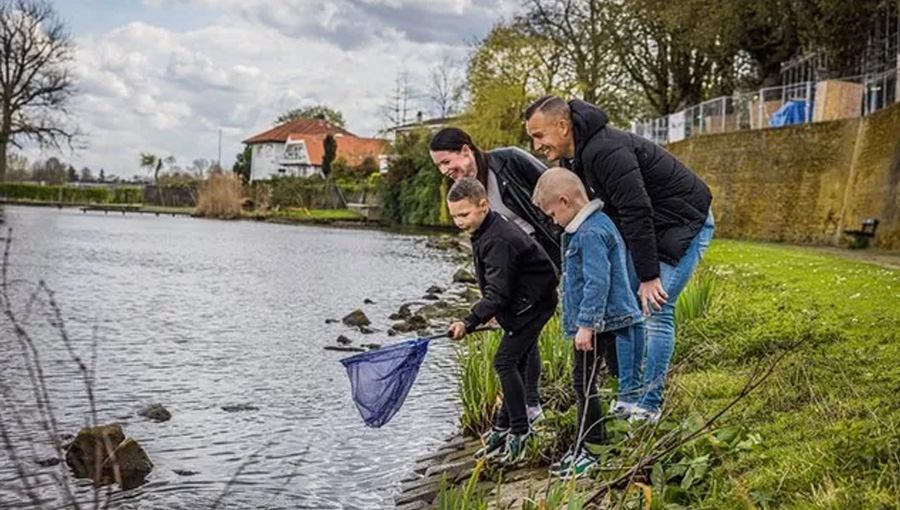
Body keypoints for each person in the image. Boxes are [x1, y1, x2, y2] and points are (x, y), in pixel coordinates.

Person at [524, 96, 715, 422]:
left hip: (684, 222)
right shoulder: (575, 159)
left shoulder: (607, 151)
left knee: (657, 309)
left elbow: (636, 210)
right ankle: (629, 399)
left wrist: (649, 275)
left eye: (539, 136)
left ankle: (650, 405)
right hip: (652, 229)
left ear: (562, 126)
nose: (536, 144)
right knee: (629, 312)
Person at [431, 127, 562, 423]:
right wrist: (492, 300)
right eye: (439, 166)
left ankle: (525, 414)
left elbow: (558, 187)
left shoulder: (511, 161)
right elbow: (487, 250)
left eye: (447, 162)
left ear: (466, 150)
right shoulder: (463, 195)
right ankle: (528, 405)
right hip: (516, 268)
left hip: (547, 258)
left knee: (522, 340)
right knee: (520, 333)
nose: (445, 171)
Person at [531, 167, 642, 479]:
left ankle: (592, 448)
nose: (552, 221)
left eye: (552, 213)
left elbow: (597, 281)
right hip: (601, 321)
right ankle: (587, 442)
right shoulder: (593, 225)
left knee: (583, 384)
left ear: (565, 201)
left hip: (599, 324)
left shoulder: (591, 232)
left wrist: (586, 325)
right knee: (593, 380)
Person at [445, 177, 559, 463]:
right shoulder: (485, 228)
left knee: (504, 363)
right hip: (523, 302)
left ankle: (520, 433)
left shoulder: (497, 238)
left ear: (483, 205)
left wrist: (468, 321)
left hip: (533, 305)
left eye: (464, 214)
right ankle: (502, 428)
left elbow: (498, 292)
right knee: (515, 365)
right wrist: (497, 311)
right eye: (454, 216)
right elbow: (500, 286)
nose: (458, 221)